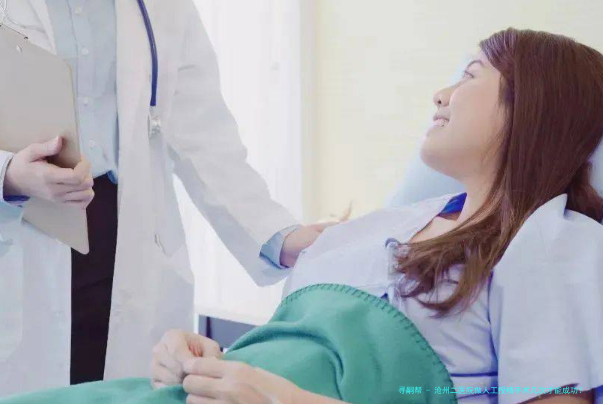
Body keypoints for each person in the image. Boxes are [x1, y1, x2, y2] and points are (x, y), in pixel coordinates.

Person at [2, 27, 603, 404]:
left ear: (535, 107)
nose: (440, 95)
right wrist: (194, 359)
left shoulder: (549, 240)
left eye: (469, 77)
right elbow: (281, 352)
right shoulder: (385, 226)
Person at [0, 0, 326, 396]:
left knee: (122, 389)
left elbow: (203, 135)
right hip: (20, 231)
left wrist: (279, 237)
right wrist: (9, 176)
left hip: (127, 240)